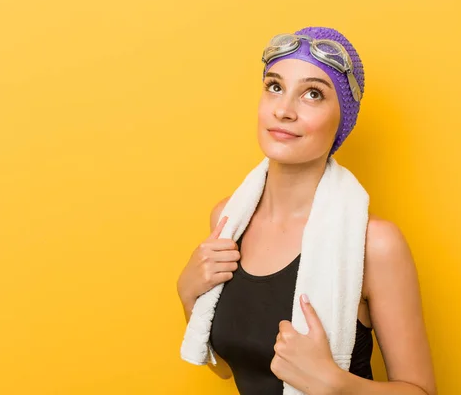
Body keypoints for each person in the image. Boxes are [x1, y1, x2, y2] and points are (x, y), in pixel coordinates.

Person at [177, 26, 437, 394]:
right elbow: (226, 369)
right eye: (275, 87)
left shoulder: (374, 243)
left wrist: (336, 384)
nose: (284, 110)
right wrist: (188, 296)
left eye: (312, 94)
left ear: (340, 121)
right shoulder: (227, 221)